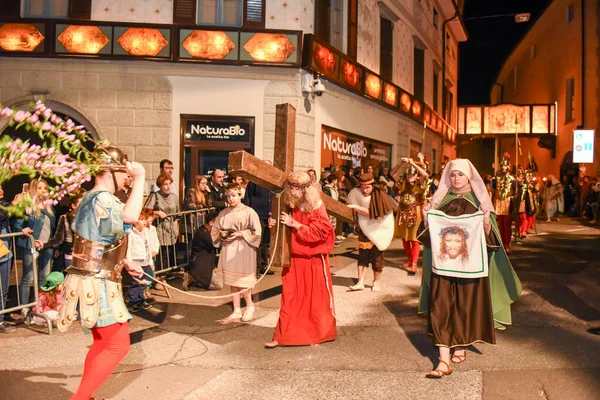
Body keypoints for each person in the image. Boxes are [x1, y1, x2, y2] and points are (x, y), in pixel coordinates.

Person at [417, 159, 522, 379]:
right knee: (441, 307)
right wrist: (427, 217)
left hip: (470, 268)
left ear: (469, 177)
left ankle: (461, 344)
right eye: (452, 175)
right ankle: (443, 360)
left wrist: (485, 220)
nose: (456, 179)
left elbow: (491, 240)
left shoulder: (479, 201)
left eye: (460, 175)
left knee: (465, 306)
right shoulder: (440, 201)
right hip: (443, 268)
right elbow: (429, 238)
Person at [58, 147, 146, 400]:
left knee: (101, 342)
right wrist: (140, 178)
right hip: (97, 281)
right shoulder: (103, 198)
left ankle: (86, 395)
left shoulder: (89, 197)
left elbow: (95, 242)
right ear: (110, 171)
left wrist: (126, 261)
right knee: (118, 345)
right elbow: (130, 215)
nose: (127, 177)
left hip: (91, 277)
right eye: (124, 172)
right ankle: (80, 398)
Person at [264, 171, 336, 348]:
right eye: (291, 187)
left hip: (312, 260)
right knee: (289, 297)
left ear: (305, 189)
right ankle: (282, 336)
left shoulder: (316, 205)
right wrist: (274, 225)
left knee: (313, 300)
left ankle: (315, 335)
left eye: (296, 188)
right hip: (294, 258)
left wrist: (295, 224)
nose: (293, 191)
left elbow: (319, 232)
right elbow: (284, 229)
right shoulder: (290, 203)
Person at [211, 183, 261, 324]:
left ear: (240, 195)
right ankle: (237, 309)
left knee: (242, 281)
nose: (231, 199)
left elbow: (257, 232)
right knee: (233, 281)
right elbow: (215, 229)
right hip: (228, 248)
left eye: (234, 195)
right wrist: (221, 236)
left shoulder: (249, 212)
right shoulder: (224, 213)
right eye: (228, 196)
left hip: (244, 248)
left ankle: (250, 306)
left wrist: (240, 234)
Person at [346, 173, 396, 292]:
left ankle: (376, 281)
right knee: (362, 256)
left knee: (377, 259)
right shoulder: (356, 193)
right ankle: (360, 282)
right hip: (364, 230)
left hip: (378, 230)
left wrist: (355, 207)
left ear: (372, 185)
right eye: (362, 187)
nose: (364, 190)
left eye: (367, 187)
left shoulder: (380, 195)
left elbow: (371, 213)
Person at [13, 178, 56, 310]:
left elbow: (53, 228)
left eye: (45, 188)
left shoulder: (49, 207)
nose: (43, 190)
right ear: (33, 189)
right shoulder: (28, 206)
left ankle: (40, 307)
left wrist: (53, 245)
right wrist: (22, 230)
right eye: (39, 188)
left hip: (46, 246)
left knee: (44, 278)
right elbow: (17, 223)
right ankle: (25, 308)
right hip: (31, 245)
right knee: (28, 278)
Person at [392, 158, 429, 275]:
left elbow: (425, 174)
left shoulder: (420, 184)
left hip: (415, 212)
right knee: (405, 238)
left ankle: (414, 263)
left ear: (416, 176)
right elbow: (392, 173)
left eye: (412, 175)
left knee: (414, 239)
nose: (410, 176)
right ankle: (409, 259)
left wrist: (413, 163)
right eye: (408, 174)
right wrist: (400, 163)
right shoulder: (402, 184)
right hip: (403, 213)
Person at [35, 192, 84, 272]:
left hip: (85, 255)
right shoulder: (65, 218)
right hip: (71, 254)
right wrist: (44, 245)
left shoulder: (89, 219)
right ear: (73, 206)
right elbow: (58, 239)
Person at [145, 173, 180, 271]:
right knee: (161, 252)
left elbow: (178, 213)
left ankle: (170, 272)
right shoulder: (155, 196)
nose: (168, 186)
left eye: (169, 184)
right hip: (160, 228)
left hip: (171, 228)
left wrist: (176, 225)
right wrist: (157, 212)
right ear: (160, 185)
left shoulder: (174, 197)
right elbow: (146, 211)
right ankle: (160, 275)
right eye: (165, 184)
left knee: (171, 251)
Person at [125, 209, 157, 312]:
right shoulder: (130, 233)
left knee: (144, 282)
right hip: (136, 261)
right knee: (135, 283)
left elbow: (148, 247)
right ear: (134, 221)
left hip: (145, 261)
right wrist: (130, 262)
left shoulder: (145, 232)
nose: (144, 222)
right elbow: (128, 249)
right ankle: (133, 302)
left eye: (144, 219)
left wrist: (150, 262)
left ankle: (141, 299)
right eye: (141, 219)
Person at [244, 169, 274, 276]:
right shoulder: (254, 182)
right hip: (257, 215)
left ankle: (264, 266)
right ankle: (255, 268)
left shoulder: (272, 183)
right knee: (257, 242)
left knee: (266, 242)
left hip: (269, 216)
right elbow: (247, 199)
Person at [184, 211, 223, 291]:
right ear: (211, 223)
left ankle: (196, 280)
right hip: (201, 265)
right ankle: (193, 281)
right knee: (219, 285)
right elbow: (214, 245)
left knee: (219, 280)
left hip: (206, 263)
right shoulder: (203, 233)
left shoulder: (205, 230)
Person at [490, 156, 516, 251]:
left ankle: (507, 244)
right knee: (500, 223)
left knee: (507, 224)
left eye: (506, 165)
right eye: (503, 165)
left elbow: (516, 190)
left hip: (507, 201)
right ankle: (501, 242)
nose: (504, 167)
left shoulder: (512, 178)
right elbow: (492, 190)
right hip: (498, 201)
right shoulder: (496, 177)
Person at [0, 185, 16, 333]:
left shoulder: (5, 204)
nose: (1, 190)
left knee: (4, 289)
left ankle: (2, 317)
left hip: (5, 253)